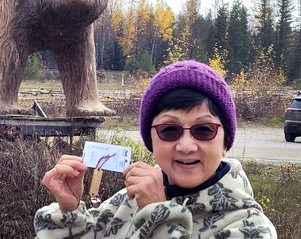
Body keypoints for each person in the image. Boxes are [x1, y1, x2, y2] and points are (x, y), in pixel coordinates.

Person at [34, 60, 277, 238]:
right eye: (169, 130)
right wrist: (70, 211)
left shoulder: (250, 227)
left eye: (204, 130)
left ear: (225, 143)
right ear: (152, 142)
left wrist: (157, 215)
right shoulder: (128, 201)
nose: (185, 146)